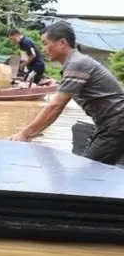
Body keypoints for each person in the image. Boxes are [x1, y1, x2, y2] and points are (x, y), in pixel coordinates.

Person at [10, 21, 124, 165]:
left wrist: (24, 134)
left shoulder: (77, 64)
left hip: (116, 124)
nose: (43, 49)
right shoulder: (75, 63)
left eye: (45, 43)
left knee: (90, 174)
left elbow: (56, 106)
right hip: (109, 124)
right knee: (98, 174)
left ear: (62, 43)